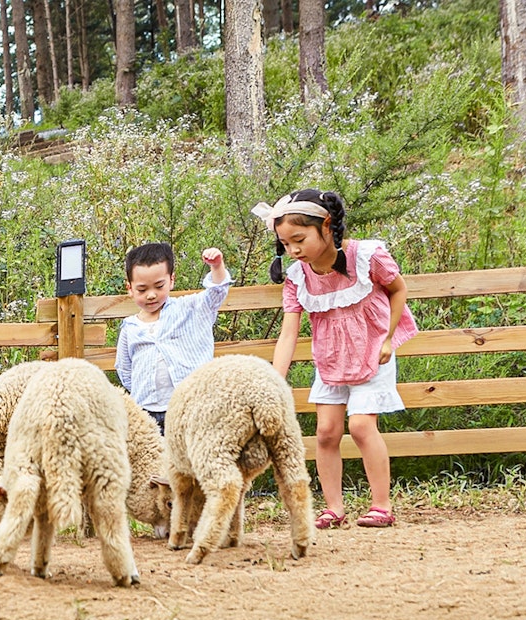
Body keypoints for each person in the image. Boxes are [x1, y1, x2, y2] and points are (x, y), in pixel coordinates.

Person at [254, 189, 418, 529]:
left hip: (373, 354)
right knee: (326, 431)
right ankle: (333, 507)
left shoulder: (365, 256)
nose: (293, 250)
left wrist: (388, 338)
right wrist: (274, 377)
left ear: (326, 226)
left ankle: (381, 505)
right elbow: (289, 334)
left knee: (360, 426)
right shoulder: (297, 278)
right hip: (330, 360)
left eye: (299, 239)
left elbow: (398, 289)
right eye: (285, 244)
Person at [115, 242, 232, 434]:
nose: (151, 295)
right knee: (155, 459)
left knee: (190, 457)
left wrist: (217, 266)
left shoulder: (190, 309)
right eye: (142, 290)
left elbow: (216, 293)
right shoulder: (130, 327)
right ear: (130, 288)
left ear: (171, 280)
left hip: (190, 407)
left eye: (159, 286)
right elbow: (125, 369)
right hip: (146, 411)